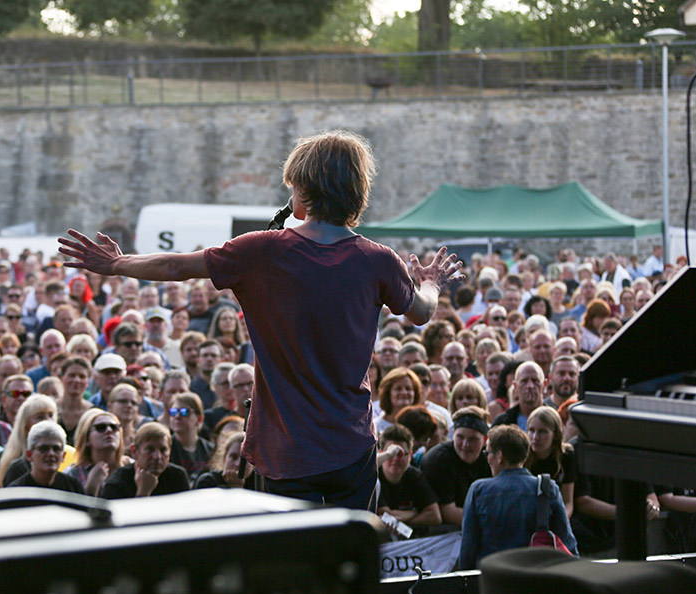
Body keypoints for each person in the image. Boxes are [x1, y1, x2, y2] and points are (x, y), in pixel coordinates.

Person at [61, 130, 463, 510]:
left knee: (288, 564)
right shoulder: (378, 260)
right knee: (349, 557)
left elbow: (173, 265)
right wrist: (430, 281)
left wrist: (117, 263)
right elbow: (422, 312)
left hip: (284, 450)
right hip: (350, 447)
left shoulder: (261, 251)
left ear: (304, 189)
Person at [459, 424, 577, 569]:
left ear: (500, 456)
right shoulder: (547, 488)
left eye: (487, 453)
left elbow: (468, 548)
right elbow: (567, 543)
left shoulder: (479, 491)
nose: (487, 458)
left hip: (494, 578)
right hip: (535, 578)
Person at [420, 406, 492, 528]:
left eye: (473, 439)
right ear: (453, 434)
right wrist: (491, 522)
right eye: (460, 437)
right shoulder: (437, 460)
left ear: (485, 440)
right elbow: (448, 512)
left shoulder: (491, 458)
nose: (465, 445)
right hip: (445, 528)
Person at [376, 424, 441, 538]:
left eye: (401, 454)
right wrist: (414, 512)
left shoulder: (415, 476)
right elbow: (386, 514)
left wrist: (404, 523)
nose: (396, 459)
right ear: (382, 454)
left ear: (410, 455)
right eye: (391, 454)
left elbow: (435, 516)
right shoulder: (375, 478)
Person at [101, 422, 190, 499]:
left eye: (163, 450)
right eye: (150, 449)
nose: (157, 456)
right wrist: (143, 492)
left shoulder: (177, 476)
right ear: (134, 451)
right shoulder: (117, 483)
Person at [525, 406, 576, 517]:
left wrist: (559, 522)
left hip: (556, 515)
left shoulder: (566, 455)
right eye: (531, 430)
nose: (535, 437)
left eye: (542, 432)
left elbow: (568, 502)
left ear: (555, 434)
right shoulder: (523, 455)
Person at [7, 421, 85, 494]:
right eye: (43, 449)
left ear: (63, 455)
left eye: (56, 449)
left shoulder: (73, 488)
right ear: (29, 455)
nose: (51, 453)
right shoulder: (16, 493)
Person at [64, 408, 128, 496]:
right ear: (87, 439)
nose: (109, 430)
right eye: (101, 428)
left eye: (114, 427)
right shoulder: (72, 474)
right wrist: (91, 486)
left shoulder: (134, 469)